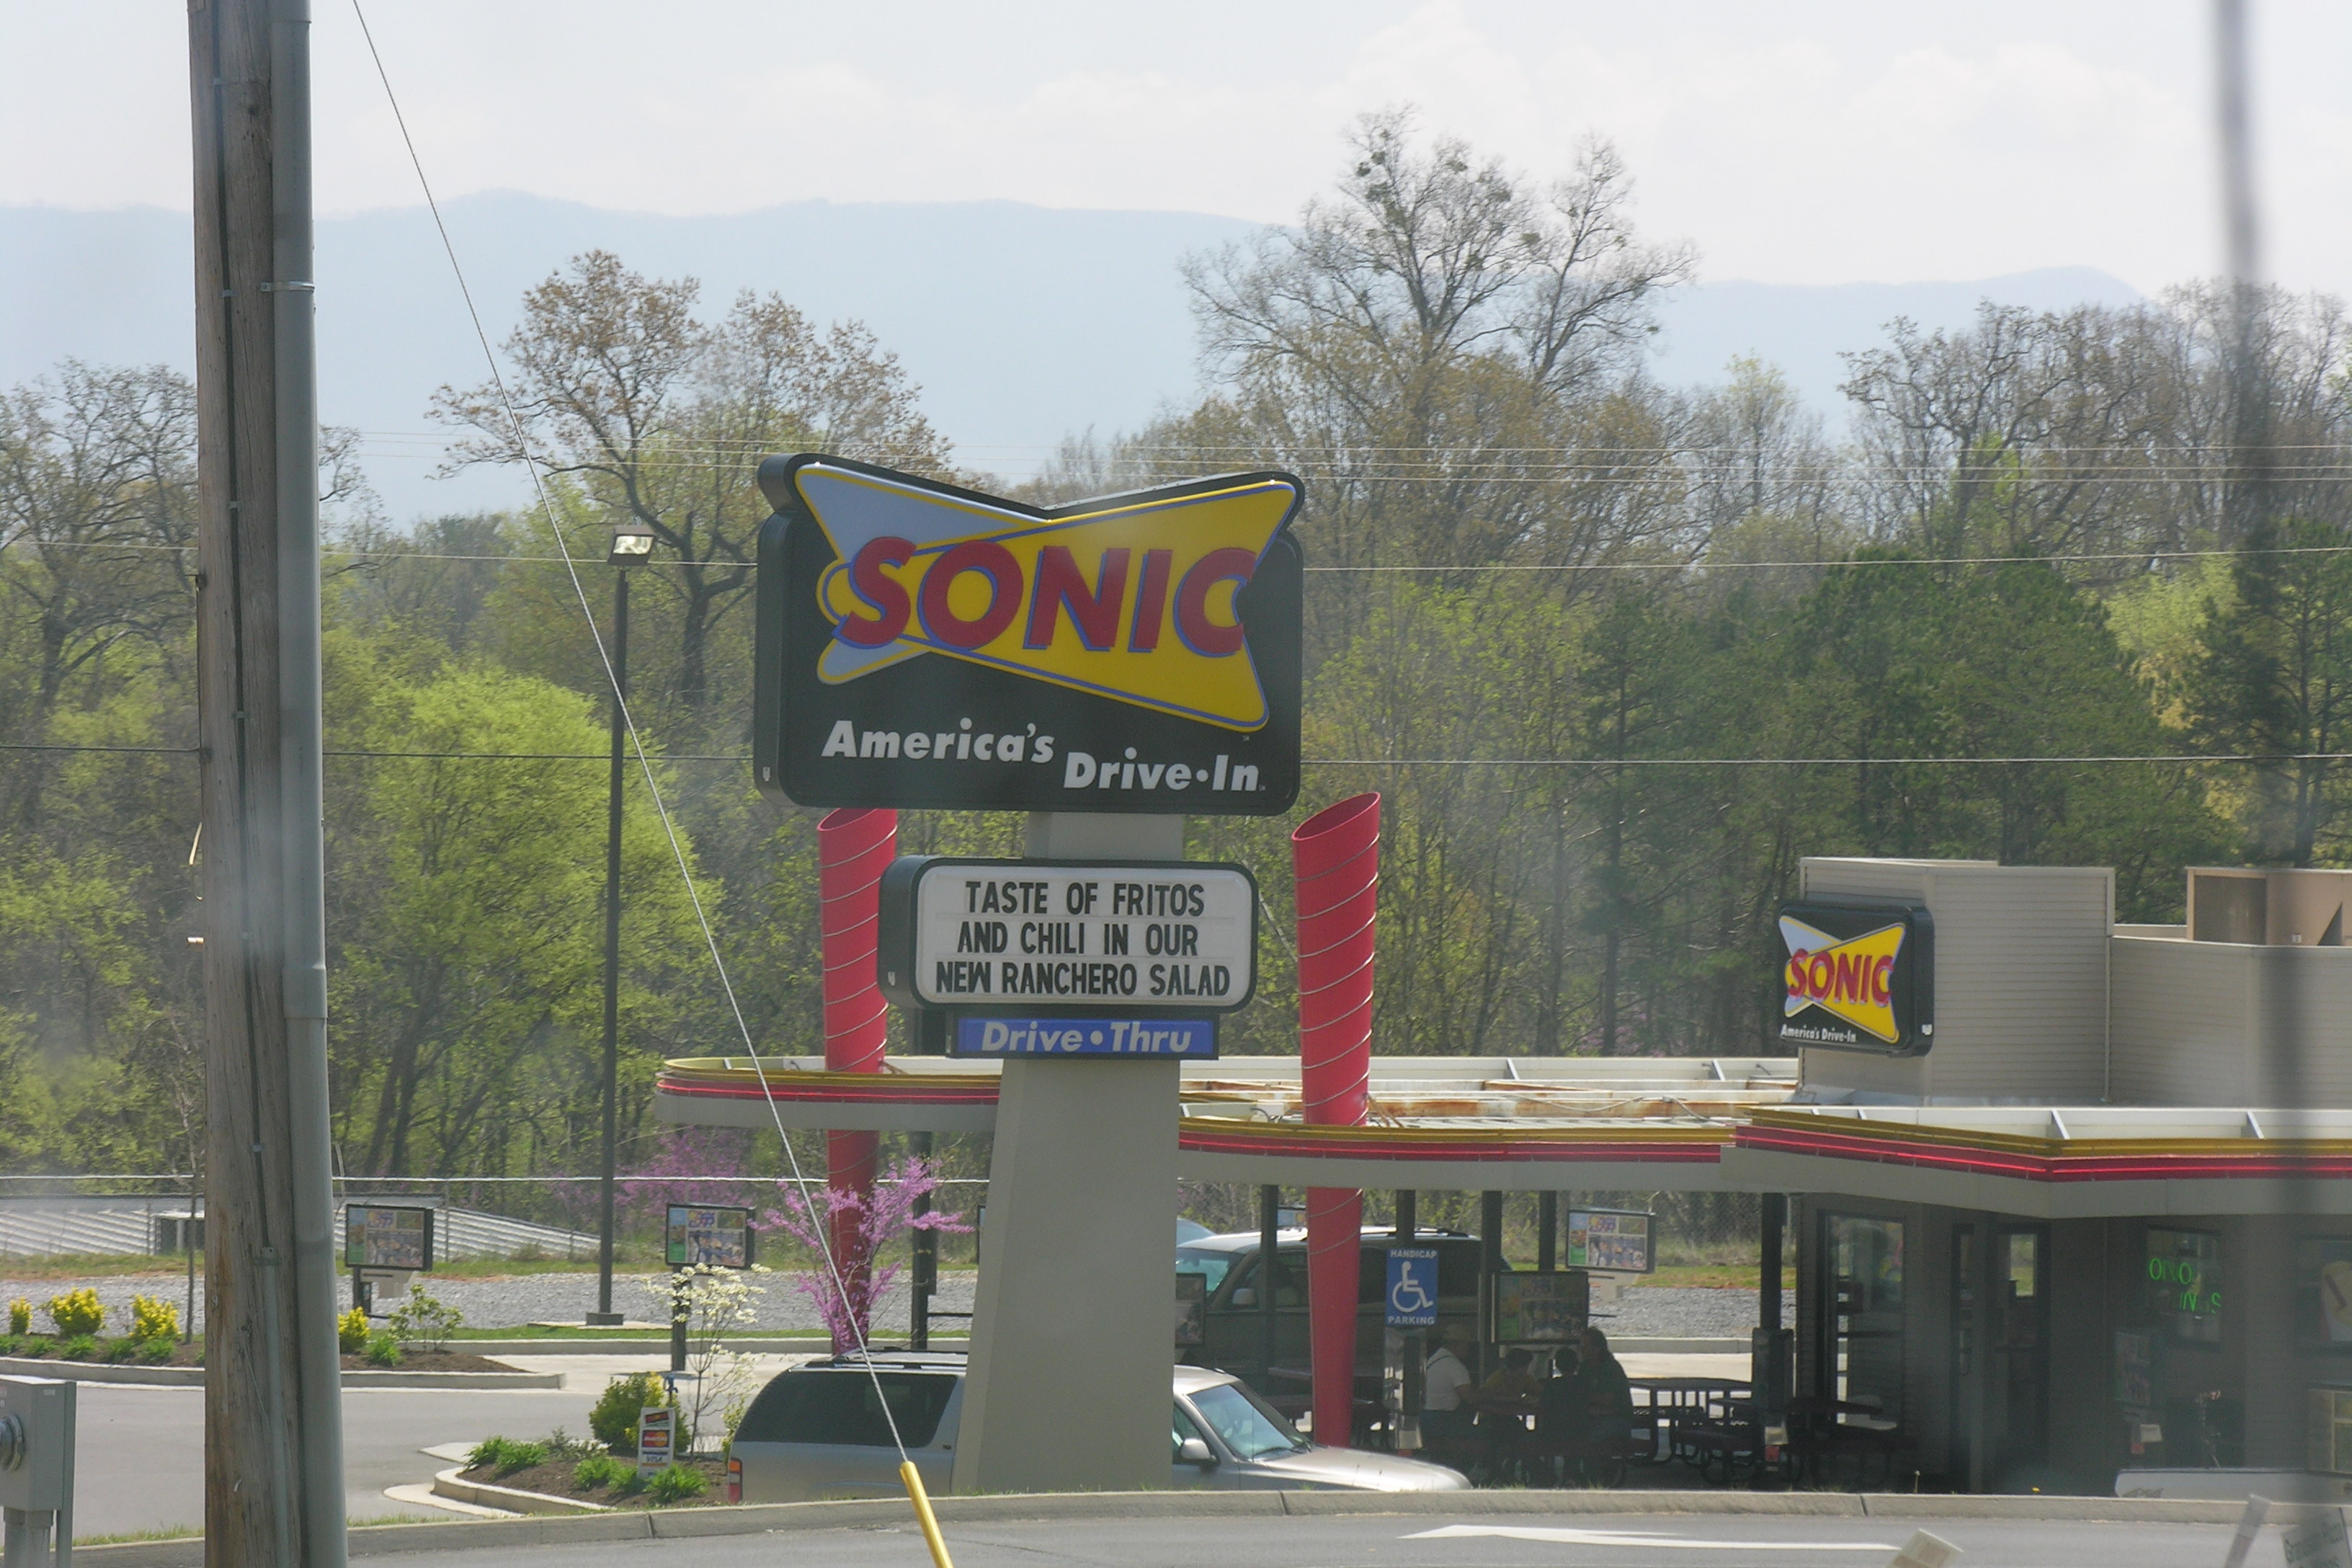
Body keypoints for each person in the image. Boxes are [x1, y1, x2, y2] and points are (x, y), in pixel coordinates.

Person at [1420, 1329, 1478, 1444]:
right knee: (1485, 1435)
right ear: (1457, 1344)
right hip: (1444, 1422)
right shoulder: (1454, 1366)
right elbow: (1468, 1396)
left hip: (1425, 1419)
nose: (1468, 1349)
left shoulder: (1433, 1361)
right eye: (1467, 1345)